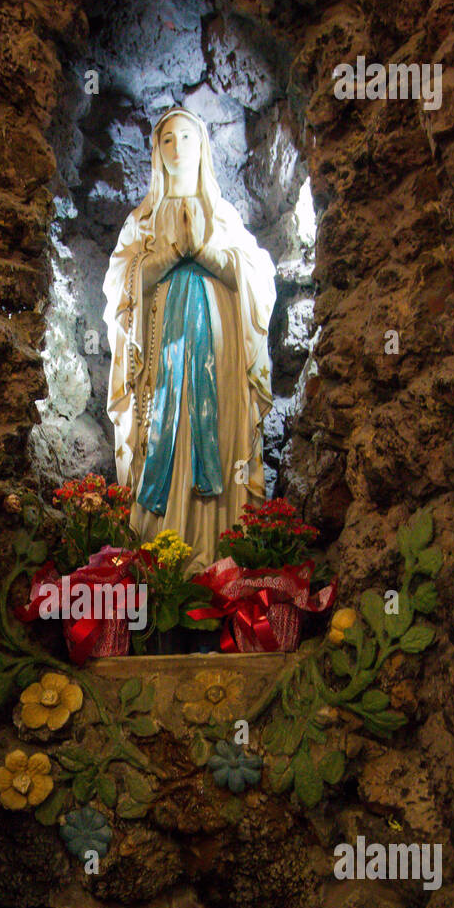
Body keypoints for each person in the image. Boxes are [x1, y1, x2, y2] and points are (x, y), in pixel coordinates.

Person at [103, 107, 277, 568]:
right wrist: (168, 256)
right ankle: (157, 562)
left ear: (202, 147)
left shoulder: (223, 216)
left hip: (217, 362)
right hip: (160, 356)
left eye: (186, 137)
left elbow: (258, 279)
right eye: (167, 140)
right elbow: (119, 286)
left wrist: (205, 252)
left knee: (217, 439)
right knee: (162, 434)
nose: (177, 147)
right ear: (156, 154)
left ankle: (219, 556)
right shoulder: (141, 222)